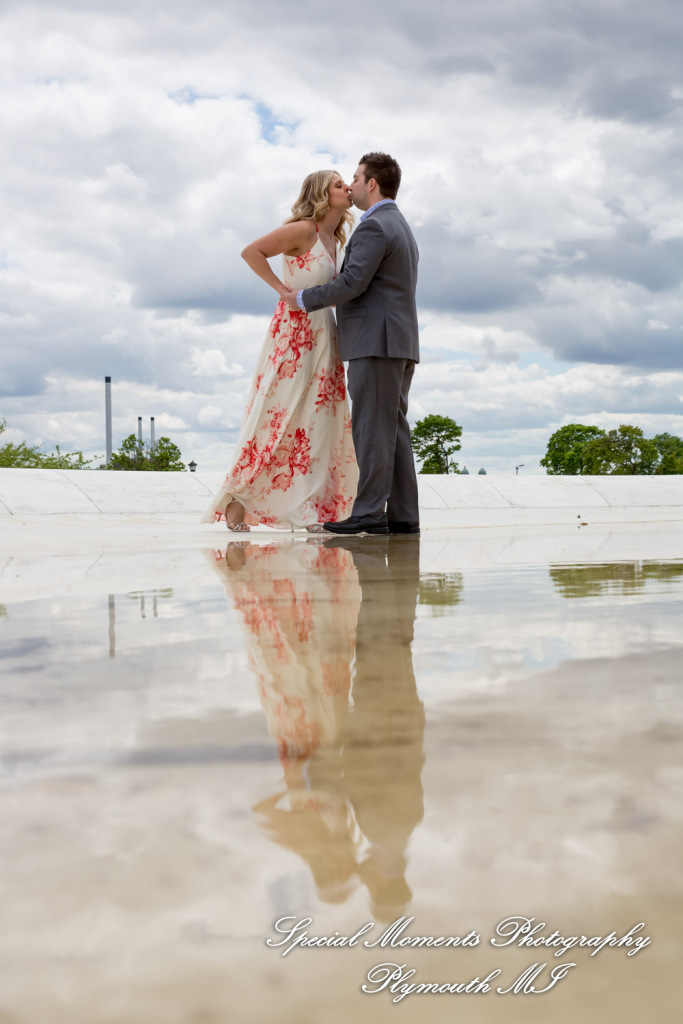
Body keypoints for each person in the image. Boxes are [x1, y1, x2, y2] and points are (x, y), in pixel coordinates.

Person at [201, 171, 359, 532]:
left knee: (318, 422)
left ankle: (312, 507)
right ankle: (237, 497)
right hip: (294, 334)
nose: (347, 188)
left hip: (325, 335)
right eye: (338, 185)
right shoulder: (304, 230)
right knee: (278, 414)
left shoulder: (336, 239)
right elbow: (250, 251)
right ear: (322, 194)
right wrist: (281, 290)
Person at [283, 152, 420, 536]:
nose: (352, 185)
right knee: (392, 430)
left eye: (356, 178)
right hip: (398, 342)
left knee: (373, 430)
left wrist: (301, 300)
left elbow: (352, 283)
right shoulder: (400, 224)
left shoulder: (374, 227)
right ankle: (404, 516)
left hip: (376, 343)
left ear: (372, 183)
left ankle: (370, 513)